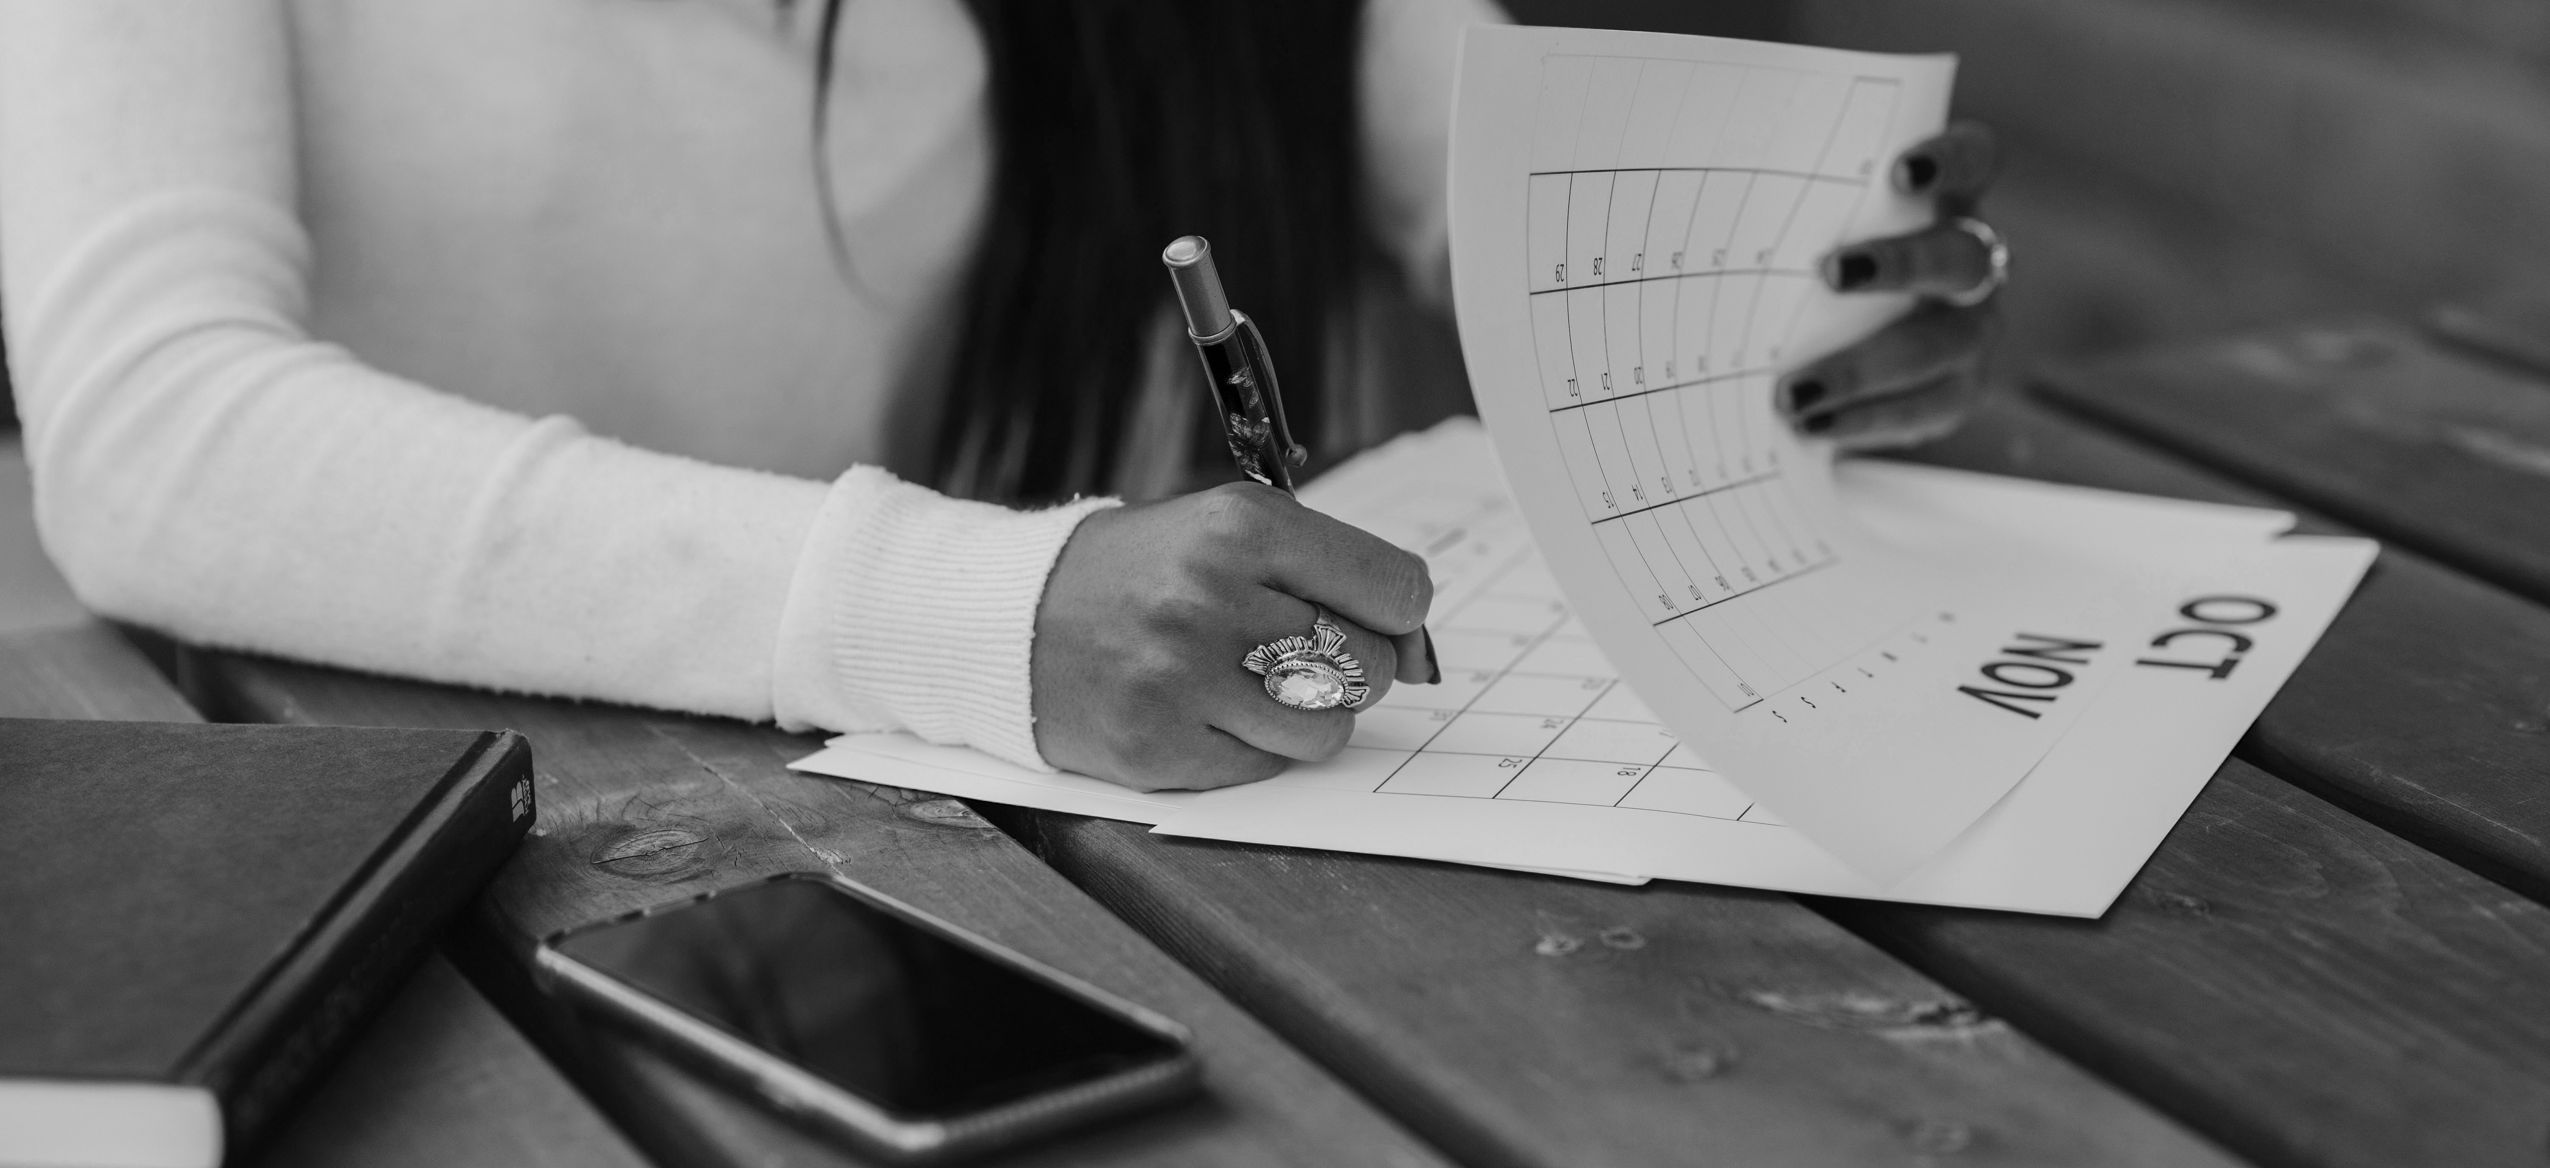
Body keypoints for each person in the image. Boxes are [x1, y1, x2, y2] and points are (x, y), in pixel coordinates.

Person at [0, 0, 1999, 792]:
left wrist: (1755, 316)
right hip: (440, 859)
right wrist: (984, 608)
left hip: (1125, 863)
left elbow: (1497, 195)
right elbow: (154, 429)